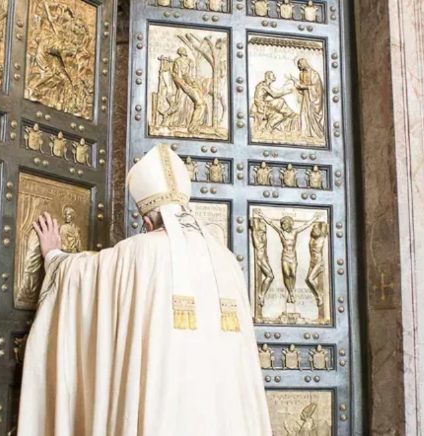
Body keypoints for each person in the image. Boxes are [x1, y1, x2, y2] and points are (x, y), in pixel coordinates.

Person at [18, 144, 271, 435]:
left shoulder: (140, 252)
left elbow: (83, 277)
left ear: (148, 221)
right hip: (224, 415)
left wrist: (54, 255)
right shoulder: (226, 259)